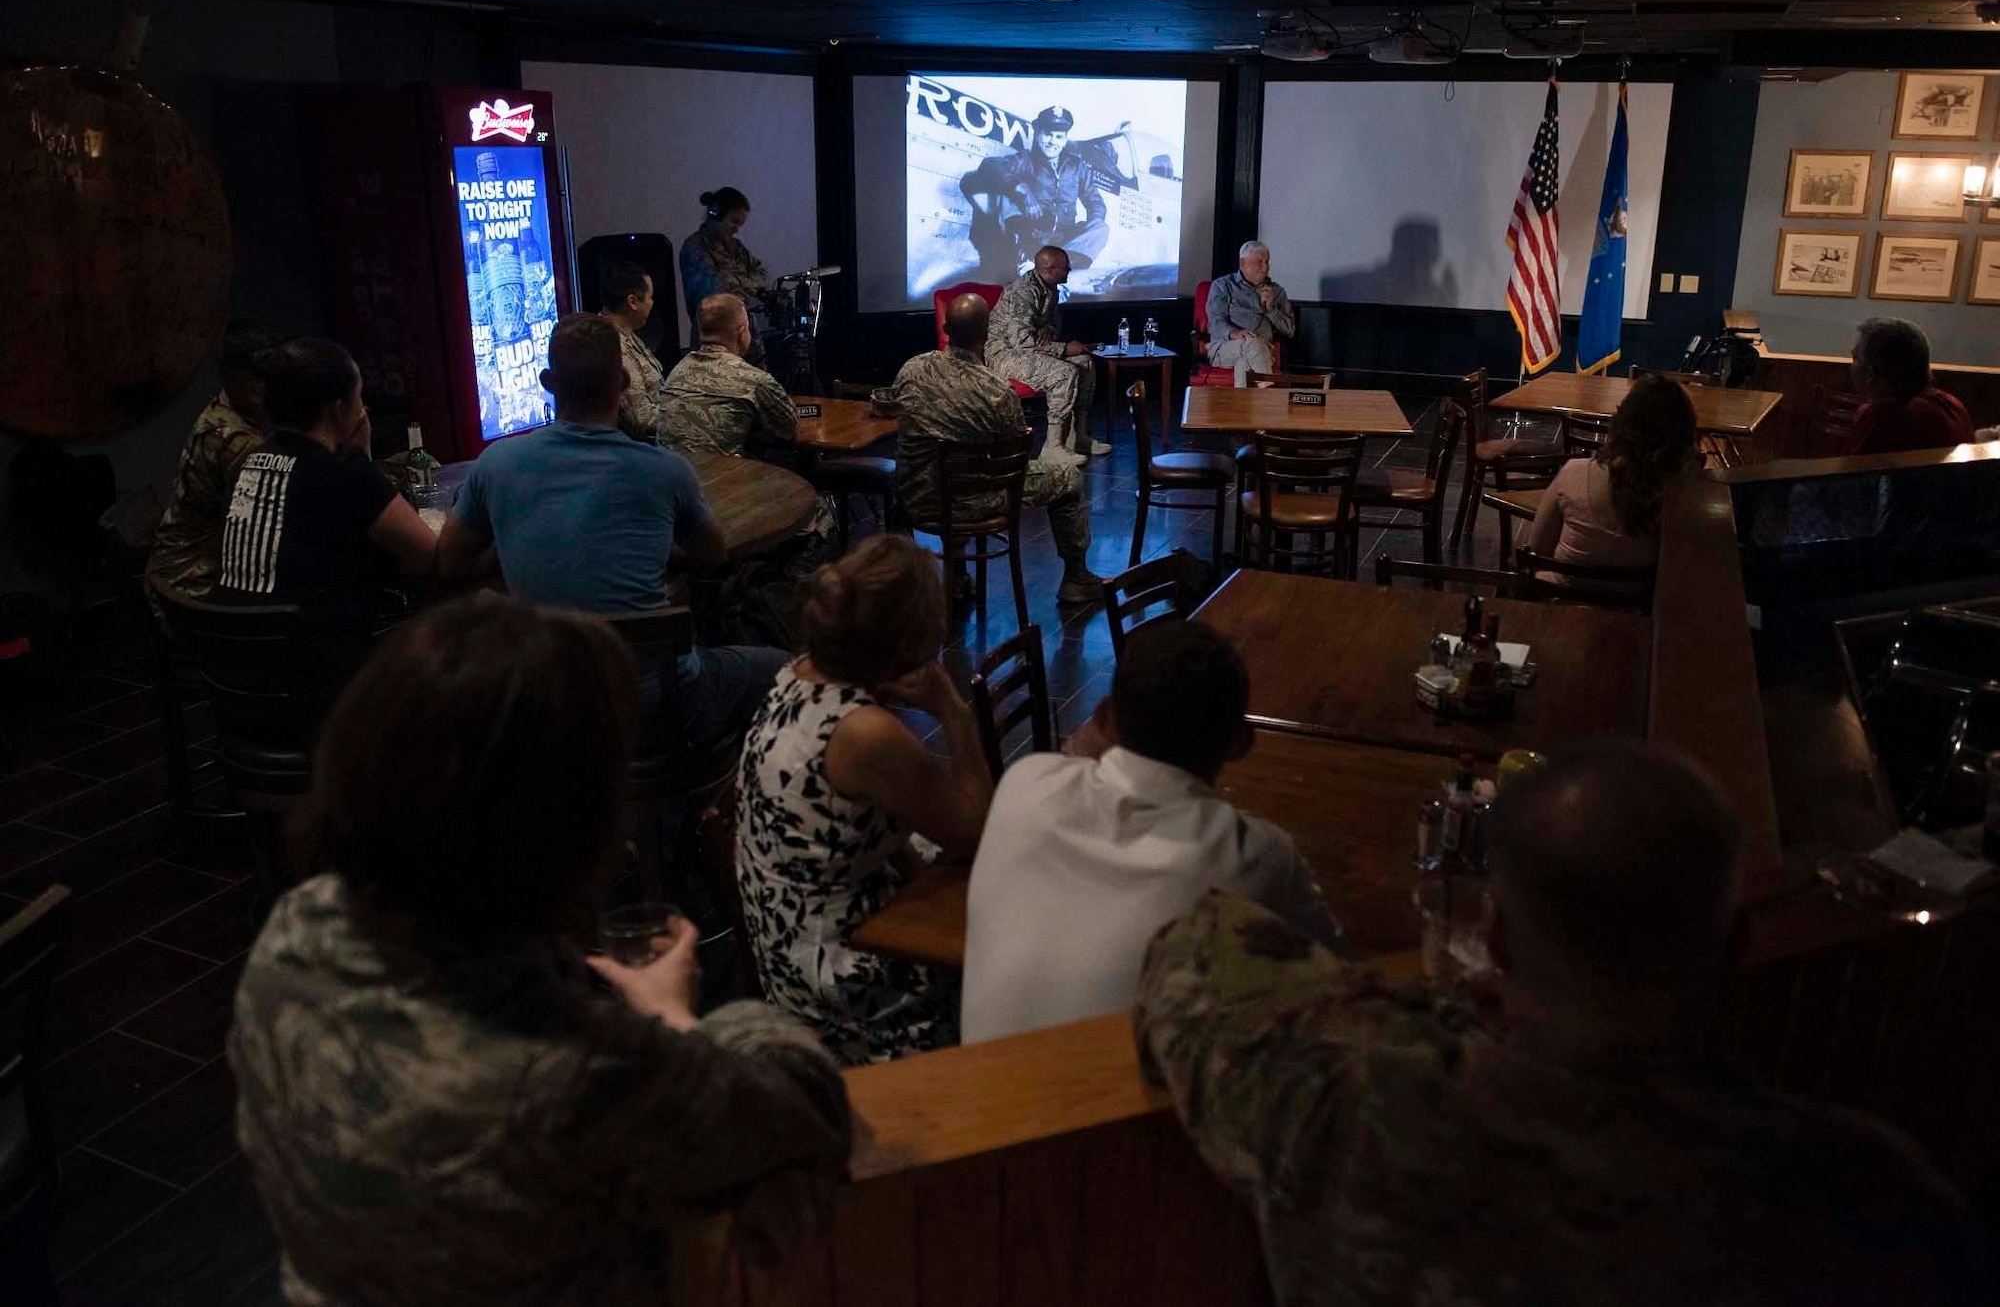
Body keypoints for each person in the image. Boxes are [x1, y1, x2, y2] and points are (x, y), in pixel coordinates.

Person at [1135, 740, 1995, 1307]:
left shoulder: (1343, 1103)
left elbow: (1191, 948)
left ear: (1499, 936)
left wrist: (1427, 1004)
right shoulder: (1871, 1205)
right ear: (1734, 946)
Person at [230, 595, 852, 1307]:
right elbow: (806, 1103)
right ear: (567, 829)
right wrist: (672, 1019)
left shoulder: (294, 934)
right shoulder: (579, 1073)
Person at [961, 620, 1341, 1044]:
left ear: (1105, 717)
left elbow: (1076, 761)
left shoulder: (1024, 784)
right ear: (1240, 742)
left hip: (976, 1093)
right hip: (1124, 1105)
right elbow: (1333, 975)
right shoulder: (1256, 856)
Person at [439, 314, 785, 751]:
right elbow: (712, 558)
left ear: (547, 381)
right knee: (786, 670)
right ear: (622, 382)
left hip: (552, 701)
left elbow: (449, 562)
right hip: (658, 703)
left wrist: (511, 548)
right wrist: (664, 553)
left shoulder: (495, 464)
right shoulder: (665, 471)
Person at [735, 535, 992, 1064]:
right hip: (835, 972)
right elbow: (974, 829)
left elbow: (854, 825)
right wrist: (953, 710)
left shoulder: (798, 670)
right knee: (1007, 958)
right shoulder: (866, 734)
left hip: (787, 933)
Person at [891, 291, 1101, 608]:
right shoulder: (996, 391)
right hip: (973, 504)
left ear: (946, 330)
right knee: (1068, 478)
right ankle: (1076, 578)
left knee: (953, 468)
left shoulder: (911, 371)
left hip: (916, 496)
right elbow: (1010, 461)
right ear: (986, 335)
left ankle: (958, 576)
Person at [215, 337, 438, 614]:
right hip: (318, 646)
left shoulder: (246, 462)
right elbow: (429, 555)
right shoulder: (343, 472)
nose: (364, 409)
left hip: (236, 644)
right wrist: (362, 458)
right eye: (359, 398)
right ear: (338, 409)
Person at [147, 317, 287, 601]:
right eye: (260, 379)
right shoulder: (241, 443)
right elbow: (263, 545)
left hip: (170, 572)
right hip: (196, 586)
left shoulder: (225, 406)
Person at [1525, 372, 1699, 581]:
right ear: (1685, 435)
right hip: (1638, 610)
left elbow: (1534, 554)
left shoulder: (1574, 473)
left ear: (1621, 421)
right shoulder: (1686, 496)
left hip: (1561, 603)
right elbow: (1684, 575)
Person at [986, 245, 1110, 463]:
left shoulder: (1050, 287)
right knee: (1064, 373)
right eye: (1065, 267)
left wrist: (1048, 330)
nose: (1070, 269)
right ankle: (1053, 447)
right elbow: (1022, 342)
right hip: (1004, 355)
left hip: (1028, 350)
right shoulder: (1023, 293)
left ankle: (1078, 437)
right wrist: (1063, 348)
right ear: (1050, 269)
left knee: (1085, 363)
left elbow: (1051, 325)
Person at [959, 105, 1109, 277]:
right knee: (1003, 194)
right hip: (1033, 239)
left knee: (1100, 227)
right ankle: (1032, 263)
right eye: (1048, 135)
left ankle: (1055, 269)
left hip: (1063, 241)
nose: (1053, 141)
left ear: (1065, 139)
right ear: (1038, 134)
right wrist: (1022, 191)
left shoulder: (1077, 167)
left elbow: (1094, 201)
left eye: (1059, 137)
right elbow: (989, 165)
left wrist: (1086, 235)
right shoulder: (1025, 160)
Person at [660, 293, 800, 456]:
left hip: (669, 477)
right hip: (721, 478)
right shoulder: (754, 380)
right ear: (742, 333)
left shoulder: (677, 372)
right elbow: (789, 430)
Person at [1845, 317, 1974, 456]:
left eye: (1855, 358)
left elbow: (1851, 472)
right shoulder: (1951, 405)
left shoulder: (1886, 418)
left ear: (1870, 373)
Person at [680, 185, 772, 364]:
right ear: (716, 214)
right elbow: (717, 287)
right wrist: (746, 283)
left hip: (747, 336)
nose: (737, 229)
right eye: (734, 222)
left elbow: (762, 274)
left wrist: (738, 282)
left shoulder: (736, 247)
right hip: (714, 339)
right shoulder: (694, 247)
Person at [1205, 240, 1297, 386]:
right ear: (1242, 263)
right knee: (1252, 344)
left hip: (1263, 351)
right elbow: (1215, 321)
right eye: (1259, 262)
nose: (1265, 267)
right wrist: (1234, 332)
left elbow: (1289, 330)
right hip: (1225, 347)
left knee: (1244, 364)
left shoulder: (1276, 291)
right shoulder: (1223, 285)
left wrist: (1271, 308)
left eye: (1267, 262)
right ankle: (1268, 399)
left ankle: (1243, 408)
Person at [601, 260, 665, 444]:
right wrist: (686, 416)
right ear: (633, 302)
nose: (652, 303)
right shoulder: (611, 344)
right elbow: (641, 417)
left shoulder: (627, 334)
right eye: (650, 297)